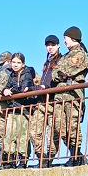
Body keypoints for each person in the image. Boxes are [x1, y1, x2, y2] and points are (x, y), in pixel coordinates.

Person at [52, 27, 88, 165]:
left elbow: (66, 71)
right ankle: (75, 154)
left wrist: (60, 74)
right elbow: (54, 73)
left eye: (65, 38)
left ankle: (76, 155)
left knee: (72, 126)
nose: (64, 41)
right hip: (60, 94)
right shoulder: (65, 56)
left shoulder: (80, 54)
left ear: (72, 38)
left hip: (72, 94)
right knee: (60, 127)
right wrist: (59, 74)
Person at [1, 52, 37, 168]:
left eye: (18, 62)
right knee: (9, 134)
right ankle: (10, 160)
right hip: (13, 107)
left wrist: (12, 91)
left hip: (24, 107)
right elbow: (7, 86)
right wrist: (5, 91)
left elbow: (23, 89)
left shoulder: (27, 73)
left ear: (23, 64)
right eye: (13, 62)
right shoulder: (11, 75)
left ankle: (23, 159)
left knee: (22, 134)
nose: (15, 65)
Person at [31, 35, 61, 166]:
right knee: (34, 131)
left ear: (58, 45)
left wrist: (47, 87)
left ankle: (49, 158)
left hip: (54, 100)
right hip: (42, 101)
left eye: (53, 45)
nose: (50, 47)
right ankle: (41, 156)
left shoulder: (61, 60)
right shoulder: (47, 62)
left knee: (52, 134)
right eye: (48, 45)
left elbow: (57, 78)